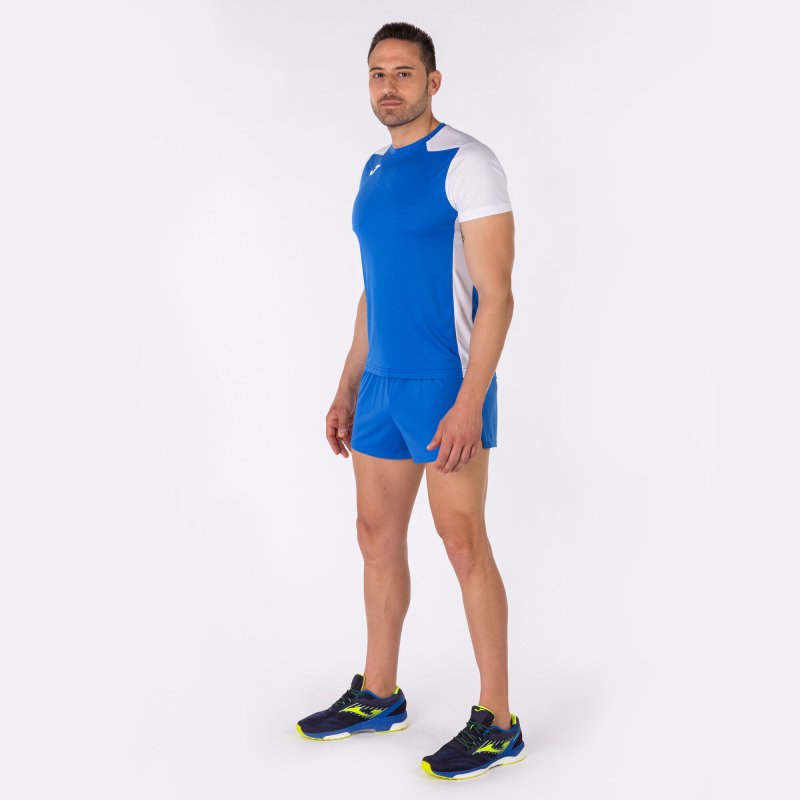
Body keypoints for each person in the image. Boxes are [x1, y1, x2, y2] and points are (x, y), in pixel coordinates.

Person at [295, 21, 525, 780]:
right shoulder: (372, 169)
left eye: (403, 72)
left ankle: (499, 720)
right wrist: (347, 384)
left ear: (433, 80)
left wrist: (469, 402)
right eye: (377, 73)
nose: (388, 86)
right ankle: (379, 693)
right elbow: (375, 288)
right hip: (382, 385)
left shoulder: (469, 163)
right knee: (374, 534)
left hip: (445, 384)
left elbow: (498, 297)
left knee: (461, 541)